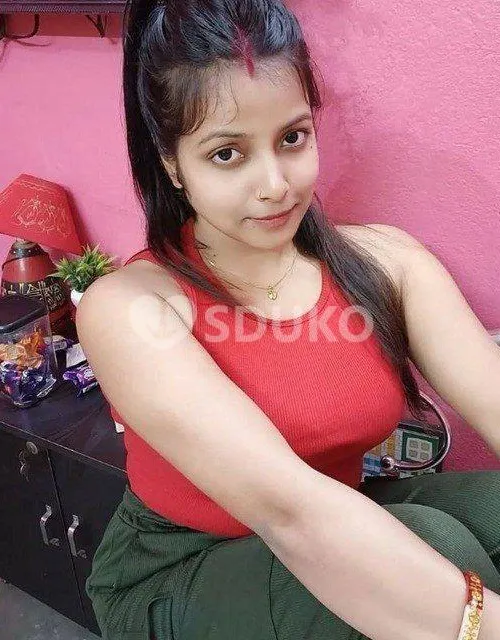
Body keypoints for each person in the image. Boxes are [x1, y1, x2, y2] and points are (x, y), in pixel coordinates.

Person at [76, 1, 500, 639]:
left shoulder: (388, 263)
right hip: (180, 565)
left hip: (334, 509)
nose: (275, 184)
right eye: (227, 154)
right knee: (441, 553)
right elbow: (291, 512)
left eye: (293, 138)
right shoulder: (131, 308)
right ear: (171, 163)